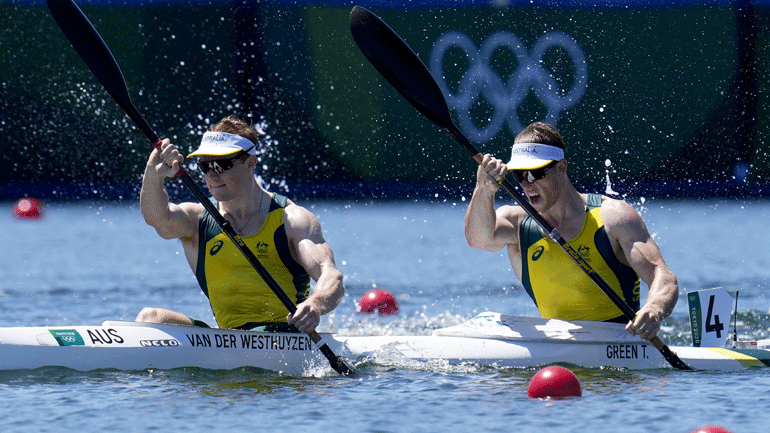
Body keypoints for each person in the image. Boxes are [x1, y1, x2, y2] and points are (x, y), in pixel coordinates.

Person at [464, 122, 678, 341]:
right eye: (519, 175)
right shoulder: (517, 223)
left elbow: (664, 277)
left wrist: (653, 310)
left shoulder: (613, 217)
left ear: (561, 167)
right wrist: (483, 190)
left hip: (619, 342)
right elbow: (479, 238)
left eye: (534, 173)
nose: (526, 184)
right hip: (557, 343)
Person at [136, 115, 344, 334]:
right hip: (228, 338)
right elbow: (157, 218)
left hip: (285, 334)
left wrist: (315, 305)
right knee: (149, 318)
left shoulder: (292, 220)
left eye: (222, 164)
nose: (212, 175)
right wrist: (153, 173)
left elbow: (331, 276)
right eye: (205, 166)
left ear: (250, 163)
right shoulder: (198, 220)